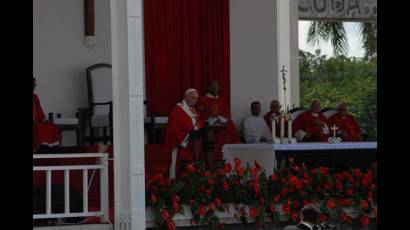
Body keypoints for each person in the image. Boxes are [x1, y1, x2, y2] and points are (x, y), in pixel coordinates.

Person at [163, 88, 205, 179]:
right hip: (181, 145)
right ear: (186, 97)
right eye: (193, 98)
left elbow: (198, 124)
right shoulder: (177, 109)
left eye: (197, 98)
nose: (195, 100)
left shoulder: (194, 110)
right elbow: (173, 129)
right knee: (181, 171)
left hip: (194, 145)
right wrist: (185, 136)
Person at [197, 81, 240, 160]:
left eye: (216, 86)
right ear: (209, 88)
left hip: (221, 122)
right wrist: (213, 119)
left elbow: (227, 114)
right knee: (213, 131)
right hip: (210, 124)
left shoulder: (222, 100)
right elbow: (201, 114)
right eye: (212, 86)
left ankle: (231, 157)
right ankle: (214, 159)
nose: (214, 88)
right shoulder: (203, 99)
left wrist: (219, 118)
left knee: (230, 125)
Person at [33, 77, 61, 152]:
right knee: (37, 127)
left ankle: (52, 150)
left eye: (35, 84)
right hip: (34, 124)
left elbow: (40, 112)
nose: (34, 86)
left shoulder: (35, 97)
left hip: (36, 122)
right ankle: (41, 148)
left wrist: (45, 120)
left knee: (52, 126)